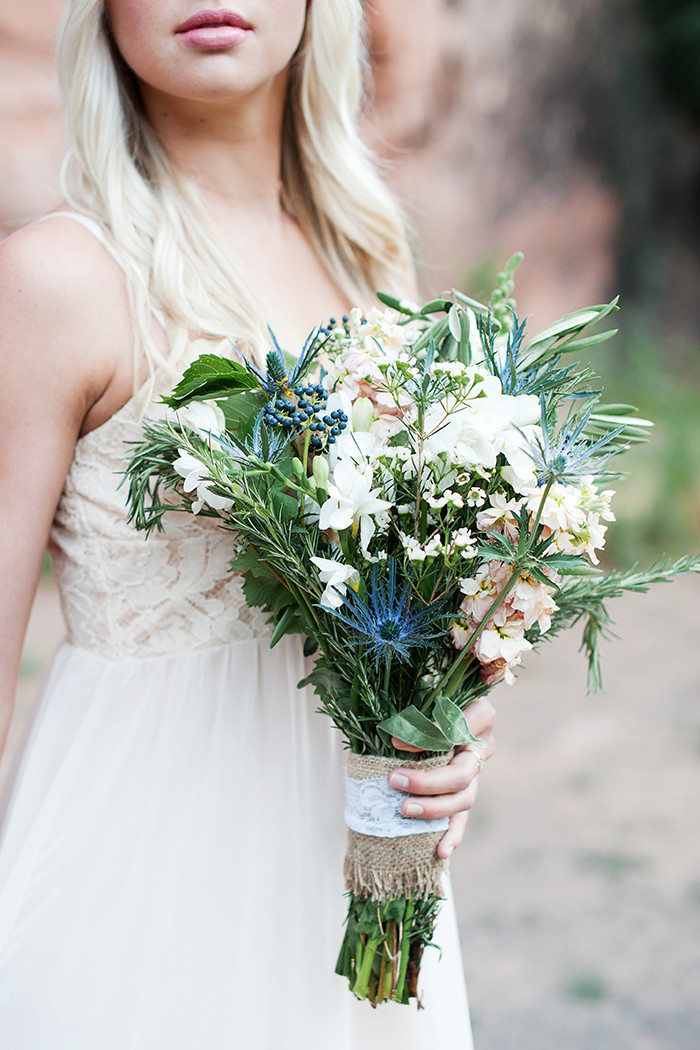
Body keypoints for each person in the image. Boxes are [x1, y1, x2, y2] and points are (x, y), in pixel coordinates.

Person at [0, 1, 496, 1046]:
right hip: (134, 877)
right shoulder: (57, 279)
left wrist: (450, 723)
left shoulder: (369, 263)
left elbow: (413, 602)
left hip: (355, 868)